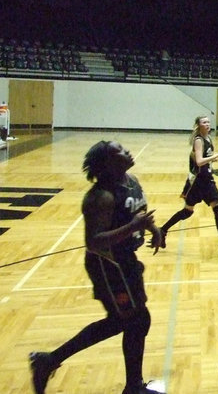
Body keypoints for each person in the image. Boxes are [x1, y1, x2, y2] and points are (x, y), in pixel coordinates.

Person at [29, 141, 163, 394]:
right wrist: (132, 228)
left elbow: (138, 213)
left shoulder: (131, 181)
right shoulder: (99, 197)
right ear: (107, 164)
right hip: (108, 266)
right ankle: (131, 386)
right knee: (134, 320)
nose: (127, 152)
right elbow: (93, 242)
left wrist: (152, 229)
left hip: (127, 262)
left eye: (124, 148)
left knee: (131, 320)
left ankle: (49, 361)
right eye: (119, 152)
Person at [158, 115, 218, 255]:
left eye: (208, 121)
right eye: (204, 122)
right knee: (187, 212)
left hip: (207, 179)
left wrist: (212, 161)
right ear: (198, 125)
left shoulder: (208, 138)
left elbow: (204, 160)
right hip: (198, 182)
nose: (207, 124)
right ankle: (162, 230)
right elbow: (200, 161)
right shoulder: (198, 140)